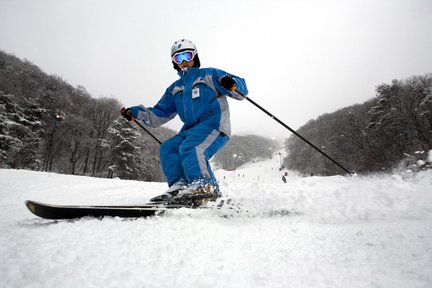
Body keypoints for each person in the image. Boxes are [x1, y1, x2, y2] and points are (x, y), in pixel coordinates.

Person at [122, 39, 248, 204]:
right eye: (178, 58)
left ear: (195, 56)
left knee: (192, 148)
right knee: (168, 148)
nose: (183, 62)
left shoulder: (209, 75)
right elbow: (159, 113)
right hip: (191, 130)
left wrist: (231, 83)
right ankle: (180, 187)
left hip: (214, 125)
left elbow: (241, 90)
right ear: (174, 63)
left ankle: (205, 188)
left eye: (187, 56)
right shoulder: (175, 88)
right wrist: (138, 113)